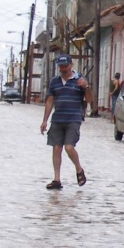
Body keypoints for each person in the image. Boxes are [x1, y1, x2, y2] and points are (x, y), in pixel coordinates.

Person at [40, 54, 89, 189]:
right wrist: (45, 120)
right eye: (61, 66)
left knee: (69, 147)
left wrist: (86, 87)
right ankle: (57, 179)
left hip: (73, 119)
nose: (63, 68)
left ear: (71, 65)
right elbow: (50, 101)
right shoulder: (54, 82)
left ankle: (79, 169)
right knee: (56, 148)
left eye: (65, 66)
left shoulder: (79, 80)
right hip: (58, 119)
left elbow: (90, 100)